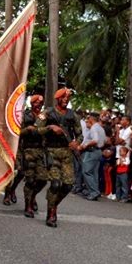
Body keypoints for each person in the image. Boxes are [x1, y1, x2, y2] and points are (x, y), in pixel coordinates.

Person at [41, 88, 80, 228]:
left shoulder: (72, 115)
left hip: (66, 153)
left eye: (67, 98)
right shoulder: (47, 112)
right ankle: (51, 213)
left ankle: (53, 204)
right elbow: (37, 129)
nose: (65, 100)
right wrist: (50, 127)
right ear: (58, 99)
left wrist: (77, 142)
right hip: (51, 151)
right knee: (55, 184)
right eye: (63, 98)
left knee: (68, 185)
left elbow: (79, 134)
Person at [78, 112, 106, 201]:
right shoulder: (101, 128)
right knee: (94, 173)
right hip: (98, 151)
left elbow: (95, 140)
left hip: (92, 151)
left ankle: (94, 192)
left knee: (86, 171)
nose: (87, 119)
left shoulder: (94, 128)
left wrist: (85, 145)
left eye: (89, 117)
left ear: (92, 119)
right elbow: (104, 141)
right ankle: (93, 191)